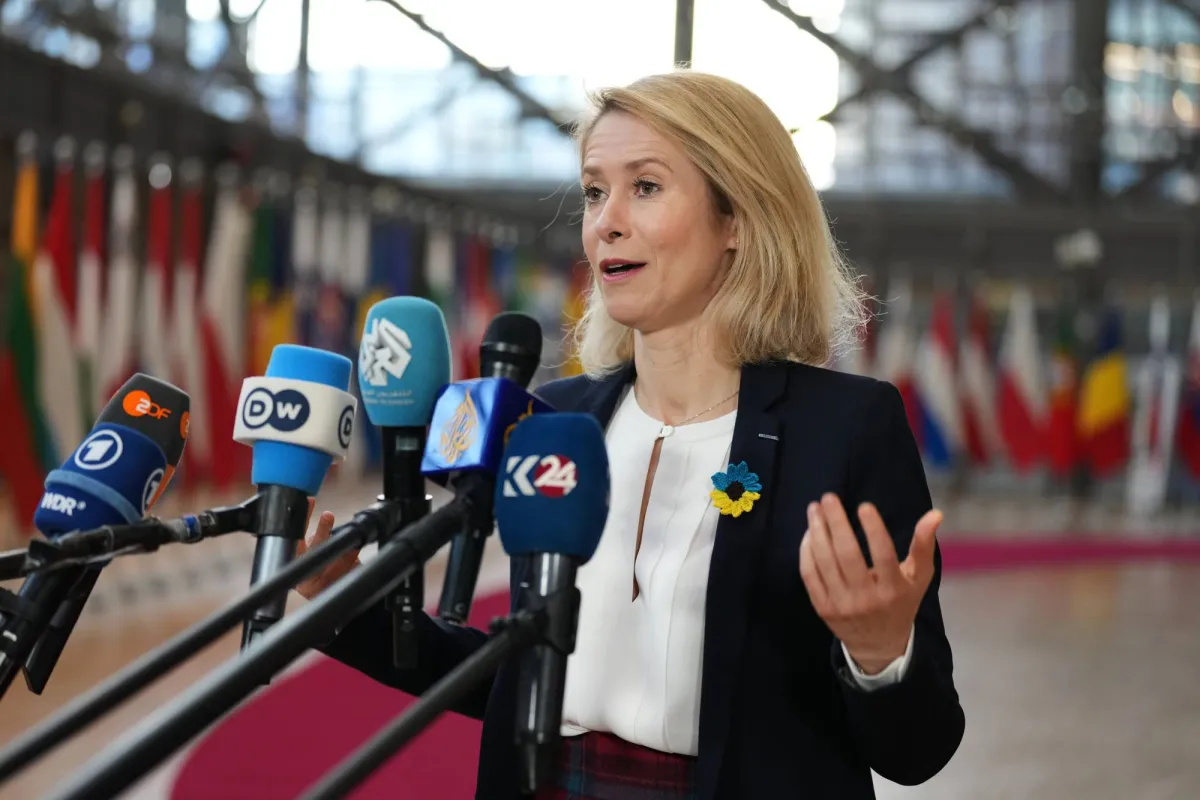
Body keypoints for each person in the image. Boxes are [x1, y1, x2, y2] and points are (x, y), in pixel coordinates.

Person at [298, 70, 965, 799]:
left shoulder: (845, 427)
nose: (604, 223)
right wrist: (346, 605)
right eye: (594, 191)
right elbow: (517, 677)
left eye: (645, 187)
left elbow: (920, 750)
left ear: (738, 219)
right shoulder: (552, 419)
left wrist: (880, 656)